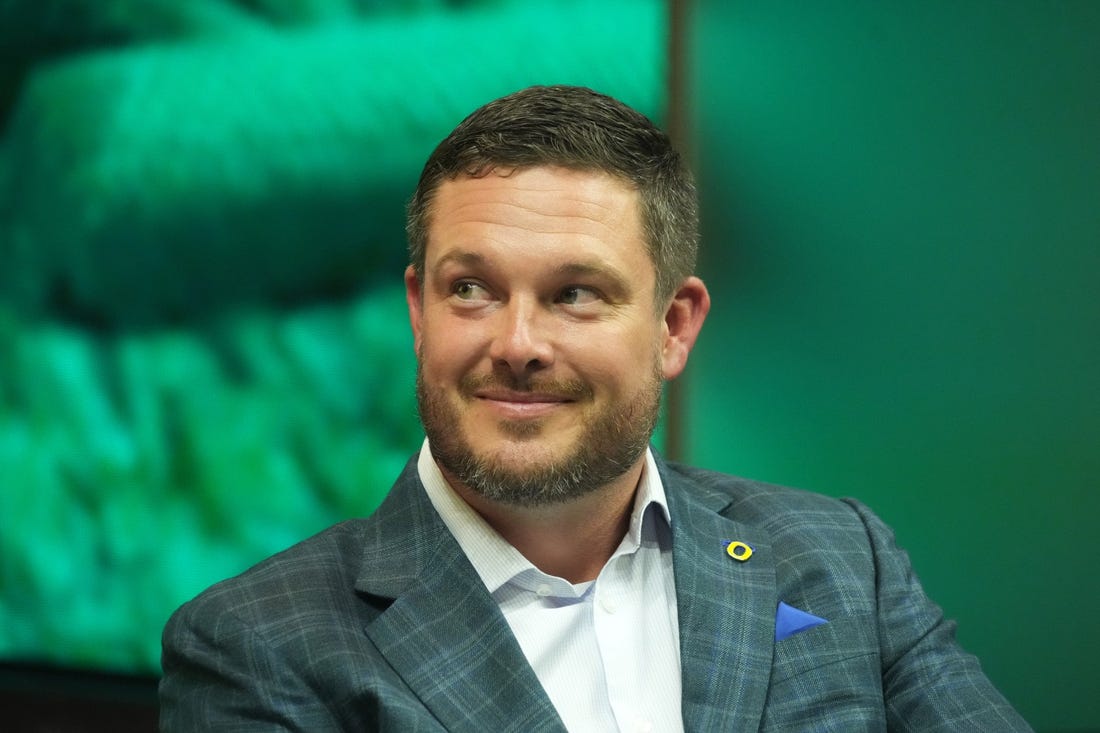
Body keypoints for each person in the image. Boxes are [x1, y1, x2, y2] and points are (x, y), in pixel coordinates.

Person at [159, 85, 1031, 732]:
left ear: (673, 326)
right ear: (419, 311)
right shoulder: (255, 646)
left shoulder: (843, 558)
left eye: (575, 293)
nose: (518, 341)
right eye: (472, 289)